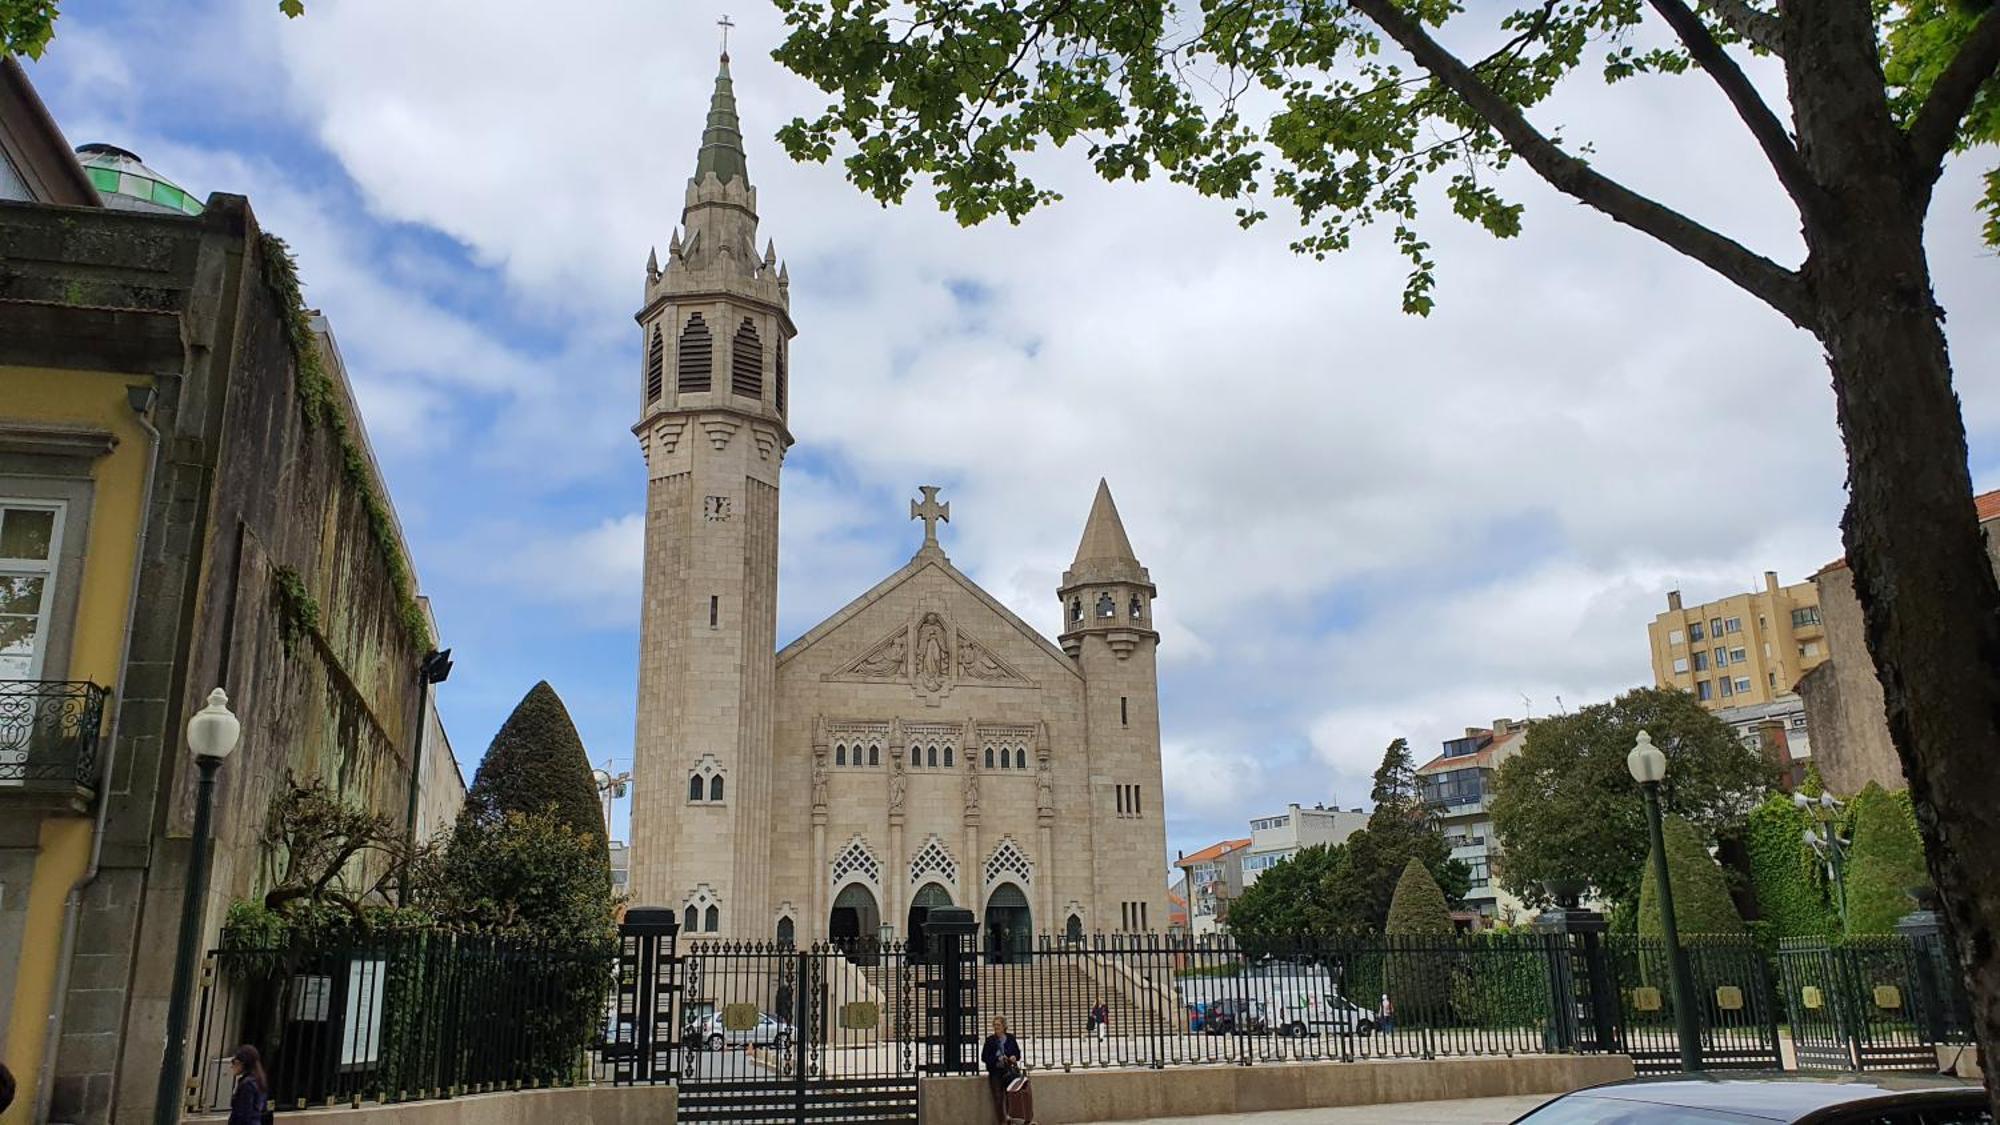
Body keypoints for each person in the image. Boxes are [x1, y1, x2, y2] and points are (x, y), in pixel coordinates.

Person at [980, 1016, 1022, 1124]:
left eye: (998, 1025)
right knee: (998, 1098)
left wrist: (1014, 1057)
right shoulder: (990, 1040)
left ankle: (1010, 1119)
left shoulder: (1011, 1038)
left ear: (1004, 1026)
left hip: (1009, 1071)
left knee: (1010, 1097)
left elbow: (1017, 1053)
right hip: (995, 1072)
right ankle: (1002, 1122)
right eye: (994, 1025)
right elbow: (984, 1057)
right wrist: (997, 1058)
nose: (996, 1027)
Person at [227, 1044, 271, 1125]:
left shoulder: (247, 1084)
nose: (232, 1066)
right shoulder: (259, 1080)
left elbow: (244, 1114)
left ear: (243, 1063)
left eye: (234, 1062)